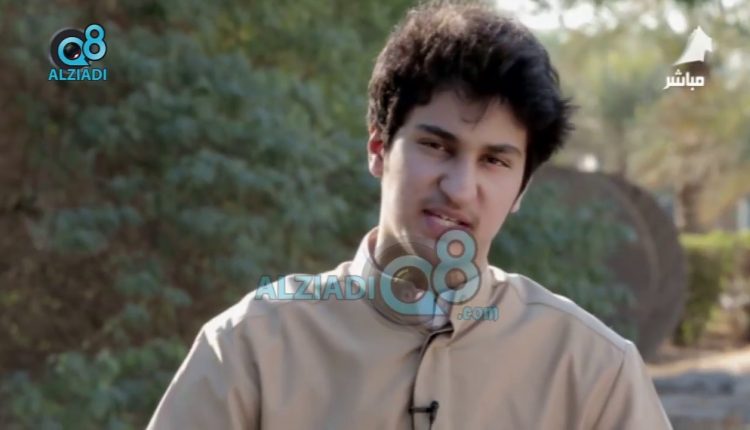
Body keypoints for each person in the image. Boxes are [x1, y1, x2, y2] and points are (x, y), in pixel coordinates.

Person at [147, 2, 673, 429]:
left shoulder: (593, 370)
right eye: (436, 146)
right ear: (378, 148)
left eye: (494, 161)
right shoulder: (250, 348)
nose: (459, 188)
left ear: (522, 188)